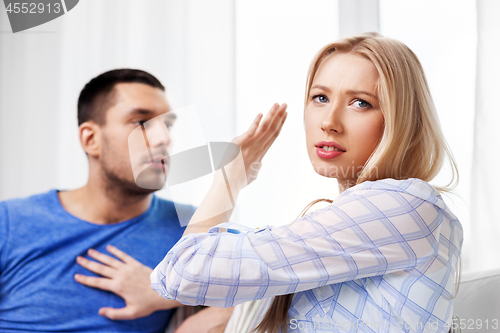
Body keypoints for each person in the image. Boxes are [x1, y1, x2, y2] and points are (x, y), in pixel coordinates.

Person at [151, 32, 463, 333]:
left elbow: (186, 271)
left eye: (361, 103)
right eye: (320, 98)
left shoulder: (403, 204)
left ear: (401, 119)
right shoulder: (358, 219)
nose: (329, 122)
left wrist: (229, 179)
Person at [0, 69, 233, 333]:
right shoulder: (9, 222)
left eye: (167, 125)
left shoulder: (192, 228)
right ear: (91, 139)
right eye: (141, 123)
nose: (164, 139)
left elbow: (264, 287)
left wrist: (167, 292)